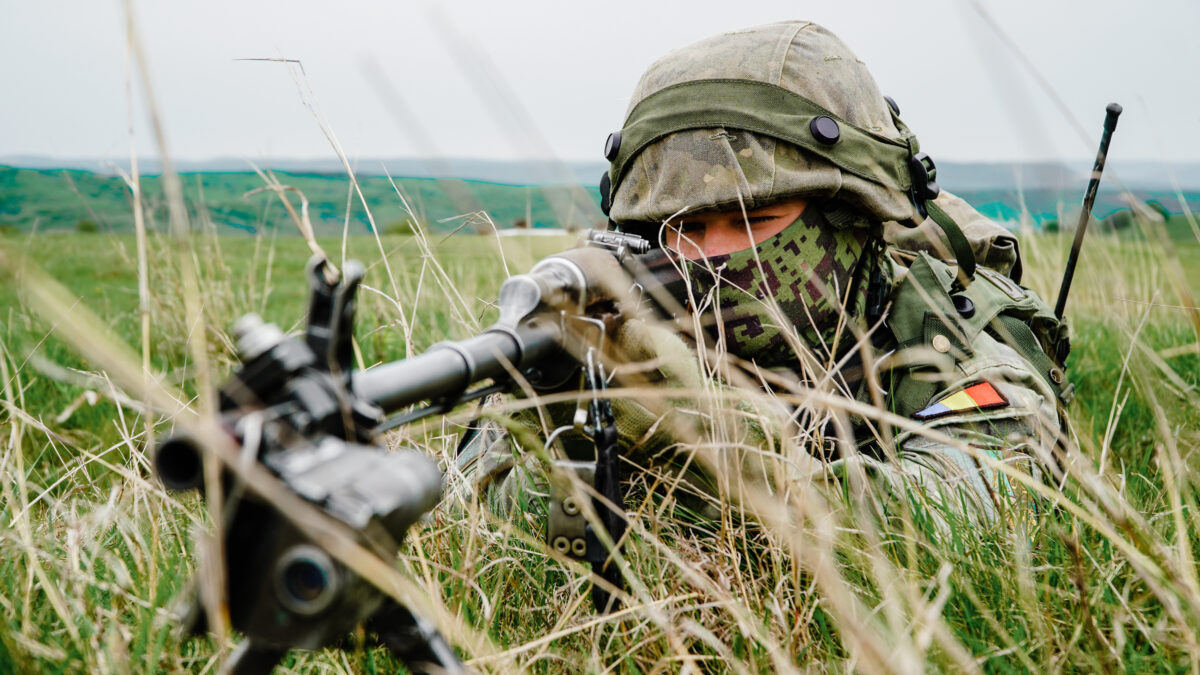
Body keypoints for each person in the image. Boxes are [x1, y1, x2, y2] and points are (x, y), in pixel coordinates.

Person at [454, 20, 1071, 535]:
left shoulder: (949, 347)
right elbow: (480, 514)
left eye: (751, 219)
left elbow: (948, 532)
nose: (714, 255)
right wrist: (563, 426)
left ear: (849, 214)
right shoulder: (631, 317)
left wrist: (707, 441)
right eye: (684, 226)